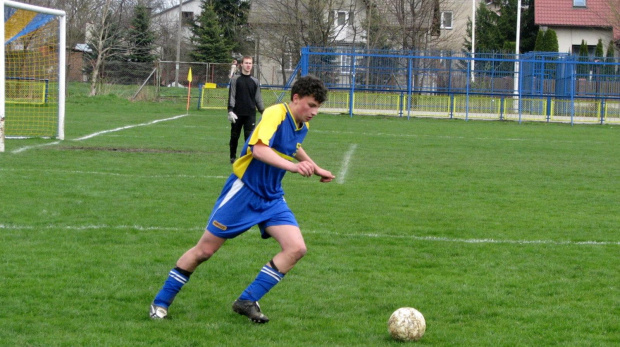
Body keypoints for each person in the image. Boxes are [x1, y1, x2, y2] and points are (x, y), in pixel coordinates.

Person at [150, 75, 334, 324]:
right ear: (296, 98)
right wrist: (293, 168)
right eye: (311, 105)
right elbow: (258, 150)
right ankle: (160, 302)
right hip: (244, 192)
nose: (314, 112)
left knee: (296, 248)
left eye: (318, 107)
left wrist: (316, 167)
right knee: (204, 251)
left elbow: (293, 147)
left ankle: (247, 300)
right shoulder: (275, 113)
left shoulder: (302, 124)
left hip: (271, 197)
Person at [227, 56, 265, 164]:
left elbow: (258, 99)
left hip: (250, 114)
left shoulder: (255, 81)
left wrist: (264, 112)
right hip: (237, 113)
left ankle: (246, 158)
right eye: (246, 63)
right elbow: (232, 95)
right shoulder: (235, 80)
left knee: (249, 138)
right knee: (234, 136)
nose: (248, 65)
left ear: (252, 65)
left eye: (250, 63)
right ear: (242, 64)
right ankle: (232, 157)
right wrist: (230, 110)